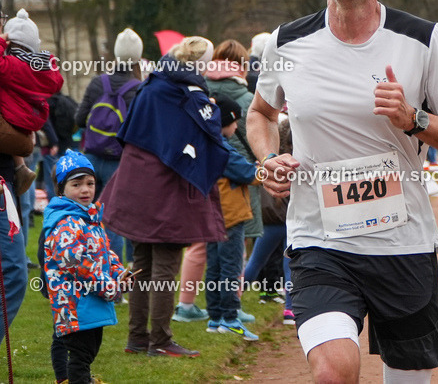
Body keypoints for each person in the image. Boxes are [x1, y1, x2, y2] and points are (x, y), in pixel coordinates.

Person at [247, 0, 438, 383]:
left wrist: (414, 119)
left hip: (403, 242)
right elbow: (260, 113)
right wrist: (268, 158)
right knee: (334, 371)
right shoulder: (286, 44)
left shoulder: (422, 40)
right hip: (321, 241)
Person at [101, 36, 230, 358]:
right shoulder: (186, 93)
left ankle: (137, 339)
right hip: (165, 186)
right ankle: (160, 340)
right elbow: (213, 132)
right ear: (199, 64)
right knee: (165, 265)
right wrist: (210, 106)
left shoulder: (152, 84)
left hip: (135, 182)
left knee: (141, 260)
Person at [0, 8, 63, 344]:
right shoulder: (31, 64)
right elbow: (54, 78)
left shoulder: (11, 63)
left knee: (12, 272)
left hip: (8, 177)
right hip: (4, 179)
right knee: (13, 273)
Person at [43, 151, 131, 384]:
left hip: (87, 300)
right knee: (82, 354)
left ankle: (73, 379)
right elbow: (78, 265)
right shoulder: (66, 222)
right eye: (77, 184)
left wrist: (119, 272)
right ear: (61, 189)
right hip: (75, 302)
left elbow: (103, 252)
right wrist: (109, 286)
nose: (85, 190)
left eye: (90, 183)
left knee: (87, 351)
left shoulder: (87, 217)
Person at [75, 27, 144, 265]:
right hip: (121, 163)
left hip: (91, 158)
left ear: (115, 55)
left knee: (85, 216)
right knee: (115, 220)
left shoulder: (97, 83)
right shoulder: (138, 88)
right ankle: (114, 276)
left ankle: (85, 268)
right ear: (138, 57)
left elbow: (79, 118)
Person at [204, 94, 260, 341]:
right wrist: (263, 169)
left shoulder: (206, 143)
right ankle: (230, 318)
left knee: (214, 266)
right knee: (231, 267)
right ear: (223, 121)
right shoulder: (223, 148)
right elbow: (248, 174)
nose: (236, 127)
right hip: (230, 217)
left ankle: (215, 317)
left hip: (211, 216)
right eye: (234, 121)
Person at [243, 117, 294, 325]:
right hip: (290, 218)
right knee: (290, 263)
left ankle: (230, 301)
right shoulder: (294, 159)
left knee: (255, 260)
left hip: (271, 219)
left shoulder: (267, 159)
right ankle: (290, 309)